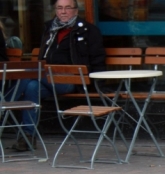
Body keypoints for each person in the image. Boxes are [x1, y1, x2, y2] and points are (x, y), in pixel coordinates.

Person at [9, 0, 106, 152]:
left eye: (68, 8)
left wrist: (96, 83)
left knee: (29, 74)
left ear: (76, 11)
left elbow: (98, 58)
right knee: (31, 86)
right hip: (47, 78)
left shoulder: (89, 30)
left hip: (70, 80)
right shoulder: (49, 29)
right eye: (59, 8)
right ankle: (27, 136)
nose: (63, 12)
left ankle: (5, 103)